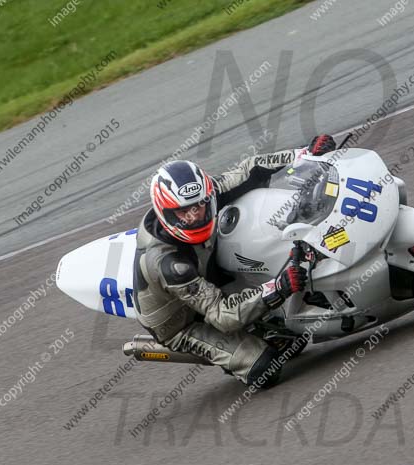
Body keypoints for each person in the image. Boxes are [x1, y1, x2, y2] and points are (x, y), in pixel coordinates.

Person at [132, 135, 337, 387]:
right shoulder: (170, 264)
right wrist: (278, 287)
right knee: (265, 367)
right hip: (184, 321)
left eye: (198, 206)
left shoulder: (207, 195)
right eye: (184, 212)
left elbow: (250, 169)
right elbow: (220, 314)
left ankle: (266, 322)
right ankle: (234, 351)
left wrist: (304, 153)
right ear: (166, 213)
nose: (195, 216)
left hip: (210, 272)